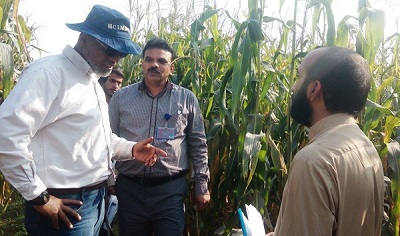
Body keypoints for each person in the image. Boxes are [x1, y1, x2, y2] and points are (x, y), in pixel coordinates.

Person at [0, 5, 166, 236]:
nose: (115, 59)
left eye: (121, 53)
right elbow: (5, 135)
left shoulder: (92, 81)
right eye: (109, 49)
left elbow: (97, 138)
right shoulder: (49, 73)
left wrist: (131, 149)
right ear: (84, 38)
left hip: (96, 201)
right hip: (64, 204)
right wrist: (38, 196)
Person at [268, 46, 384, 235]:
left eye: (299, 77)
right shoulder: (366, 147)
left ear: (314, 89)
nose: (293, 87)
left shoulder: (313, 162)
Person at [108, 37, 210, 235]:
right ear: (142, 63)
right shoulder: (121, 98)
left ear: (171, 68)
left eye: (161, 61)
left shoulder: (186, 98)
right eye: (149, 59)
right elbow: (106, 140)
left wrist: (202, 185)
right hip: (130, 189)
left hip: (170, 190)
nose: (154, 64)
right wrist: (109, 180)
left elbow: (198, 144)